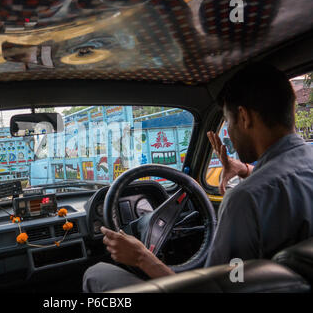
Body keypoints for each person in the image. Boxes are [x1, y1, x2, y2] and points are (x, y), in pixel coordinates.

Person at [83, 63, 313, 292]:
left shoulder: (246, 198)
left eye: (227, 121)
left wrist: (142, 258)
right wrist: (245, 171)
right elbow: (288, 183)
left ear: (244, 117)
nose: (229, 134)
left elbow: (215, 289)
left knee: (97, 273)